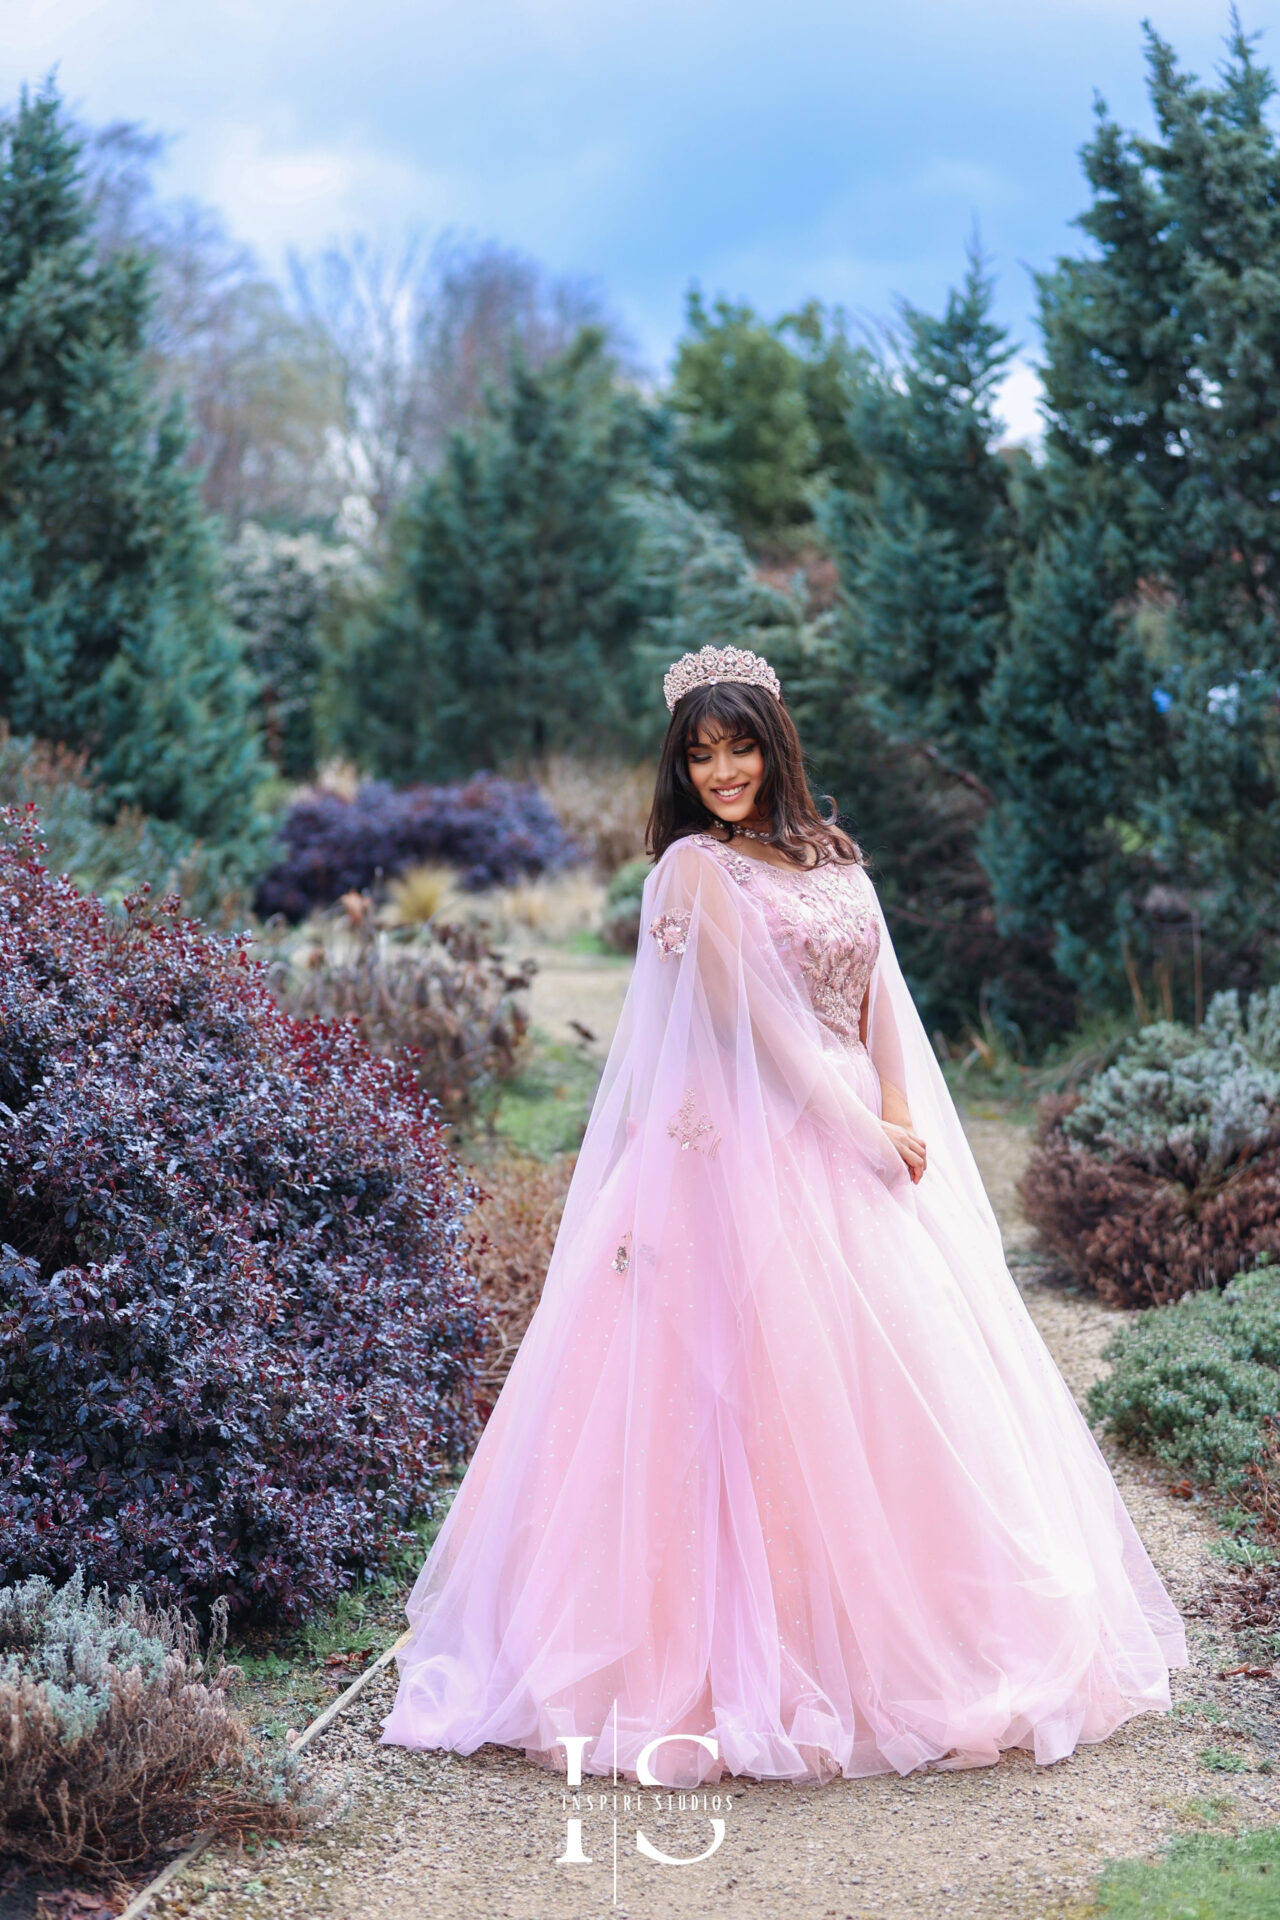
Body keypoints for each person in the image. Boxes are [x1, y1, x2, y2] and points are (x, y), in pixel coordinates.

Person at [381, 644, 1187, 1788]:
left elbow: (878, 1002)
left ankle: (886, 1636)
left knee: (886, 1391)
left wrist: (893, 1113)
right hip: (739, 1152)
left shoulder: (828, 854)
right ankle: (736, 1662)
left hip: (856, 1133)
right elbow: (749, 1025)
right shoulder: (693, 873)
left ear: (774, 745)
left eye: (738, 746)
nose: (720, 772)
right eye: (699, 754)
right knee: (727, 1392)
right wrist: (855, 1127)